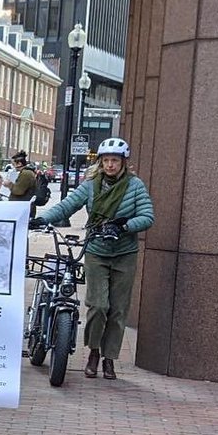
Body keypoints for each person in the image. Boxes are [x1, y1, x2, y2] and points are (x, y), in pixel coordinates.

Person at [31, 137, 153, 380]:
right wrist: (42, 218)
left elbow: (148, 216)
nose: (110, 165)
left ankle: (109, 359)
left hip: (124, 253)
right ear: (100, 162)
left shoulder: (135, 186)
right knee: (98, 305)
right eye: (106, 160)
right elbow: (67, 206)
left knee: (118, 310)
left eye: (114, 161)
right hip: (97, 251)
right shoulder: (90, 185)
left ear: (123, 163)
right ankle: (94, 352)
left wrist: (124, 226)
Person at [4, 150, 38, 218]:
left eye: (13, 164)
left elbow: (18, 191)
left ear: (19, 164)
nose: (13, 167)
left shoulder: (26, 174)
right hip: (21, 208)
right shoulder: (24, 173)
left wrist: (9, 185)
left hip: (23, 209)